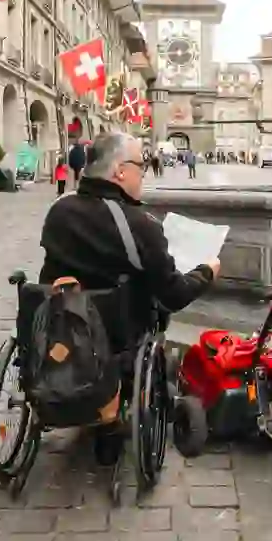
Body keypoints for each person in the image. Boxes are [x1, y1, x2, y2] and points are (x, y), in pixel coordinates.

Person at [39, 132, 221, 462]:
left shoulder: (59, 210)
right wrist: (206, 271)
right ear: (121, 171)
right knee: (152, 310)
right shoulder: (140, 224)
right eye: (142, 165)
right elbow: (175, 294)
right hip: (116, 336)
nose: (145, 173)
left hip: (60, 326)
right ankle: (111, 415)